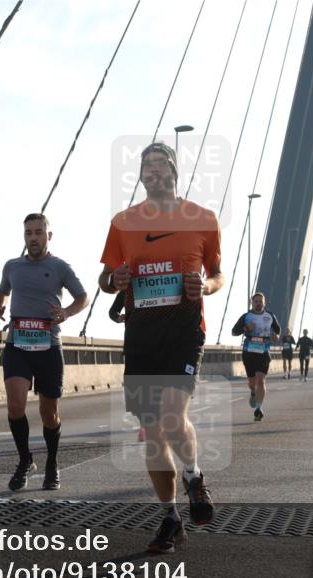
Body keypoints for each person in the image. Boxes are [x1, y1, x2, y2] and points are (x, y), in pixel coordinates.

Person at [99, 142, 224, 554]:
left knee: (173, 418)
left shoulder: (203, 219)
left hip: (184, 333)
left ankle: (194, 475)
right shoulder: (123, 222)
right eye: (145, 167)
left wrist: (204, 285)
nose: (152, 172)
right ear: (140, 176)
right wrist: (114, 279)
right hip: (141, 337)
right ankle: (170, 516)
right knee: (154, 436)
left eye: (159, 165)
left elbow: (218, 275)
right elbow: (105, 279)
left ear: (174, 170)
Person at [0, 213, 89, 492]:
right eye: (28, 233)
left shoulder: (59, 267)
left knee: (49, 413)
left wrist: (67, 313)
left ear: (48, 235)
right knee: (15, 405)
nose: (33, 238)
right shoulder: (12, 266)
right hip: (17, 344)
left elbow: (83, 297)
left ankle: (52, 464)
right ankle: (25, 461)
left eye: (38, 232)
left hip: (48, 346)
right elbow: (2, 291)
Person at [232, 292, 281, 421]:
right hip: (249, 352)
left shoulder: (270, 316)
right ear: (252, 303)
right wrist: (247, 328)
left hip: (263, 352)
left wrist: (276, 336)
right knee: (252, 382)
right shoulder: (246, 316)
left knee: (261, 380)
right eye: (256, 301)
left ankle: (259, 408)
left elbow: (277, 330)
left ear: (264, 303)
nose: (258, 303)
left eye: (260, 301)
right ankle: (253, 392)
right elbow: (234, 332)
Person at [108, 291, 145, 443]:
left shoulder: (161, 284)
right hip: (133, 345)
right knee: (134, 389)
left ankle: (149, 425)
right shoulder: (126, 290)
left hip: (160, 345)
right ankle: (145, 423)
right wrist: (118, 317)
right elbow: (112, 311)